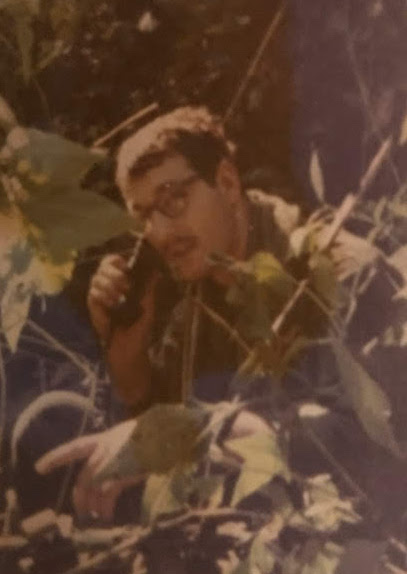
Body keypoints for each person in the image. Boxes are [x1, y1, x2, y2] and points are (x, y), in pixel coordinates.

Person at [36, 106, 406, 523]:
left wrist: (202, 431)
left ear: (227, 183)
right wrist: (129, 360)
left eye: (174, 199)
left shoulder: (339, 273)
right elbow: (159, 463)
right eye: (141, 217)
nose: (158, 232)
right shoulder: (198, 305)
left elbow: (371, 449)